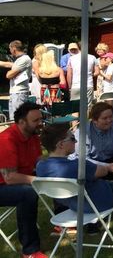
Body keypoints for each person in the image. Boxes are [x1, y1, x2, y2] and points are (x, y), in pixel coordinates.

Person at [0, 102, 46, 257]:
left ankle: (64, 223)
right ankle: (30, 251)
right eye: (36, 121)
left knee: (59, 174)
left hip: (19, 178)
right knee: (27, 193)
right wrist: (38, 180)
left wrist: (53, 169)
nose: (40, 123)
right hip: (4, 184)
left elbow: (39, 161)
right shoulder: (6, 139)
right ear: (21, 122)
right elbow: (10, 178)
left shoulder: (33, 136)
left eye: (41, 119)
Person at [0, 40, 33, 121]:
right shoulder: (20, 59)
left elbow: (9, 75)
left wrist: (9, 72)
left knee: (18, 119)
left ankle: (19, 133)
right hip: (15, 93)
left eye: (10, 49)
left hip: (19, 93)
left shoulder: (24, 59)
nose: (10, 51)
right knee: (13, 119)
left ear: (14, 49)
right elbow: (7, 64)